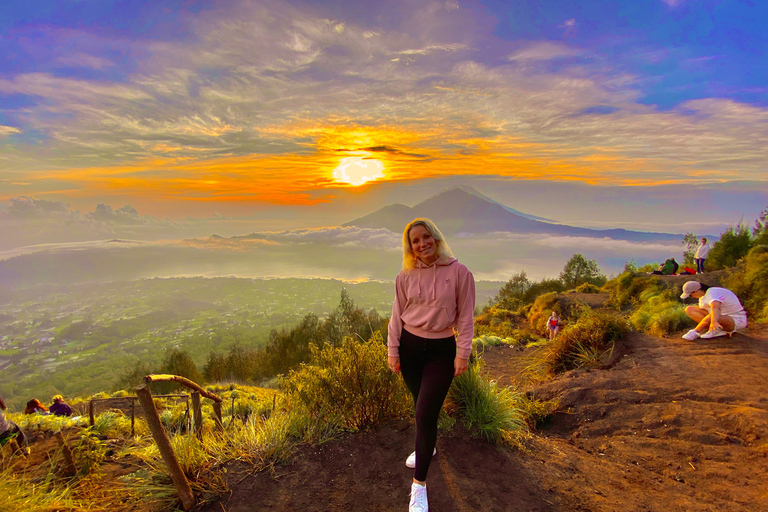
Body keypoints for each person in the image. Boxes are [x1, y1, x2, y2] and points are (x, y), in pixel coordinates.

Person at [388, 218, 475, 512]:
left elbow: (465, 317)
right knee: (420, 406)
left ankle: (419, 486)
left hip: (441, 350)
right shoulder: (405, 276)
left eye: (426, 237)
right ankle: (429, 447)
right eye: (415, 241)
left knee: (425, 413)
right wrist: (393, 350)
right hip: (409, 347)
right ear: (410, 247)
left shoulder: (460, 272)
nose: (422, 244)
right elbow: (397, 315)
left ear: (436, 238)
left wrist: (462, 353)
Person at [680, 281, 748, 340]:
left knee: (712, 315)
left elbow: (715, 307)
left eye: (691, 295)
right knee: (690, 309)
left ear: (696, 291)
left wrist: (714, 321)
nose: (691, 297)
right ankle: (716, 329)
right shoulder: (703, 296)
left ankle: (696, 332)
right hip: (720, 316)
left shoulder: (712, 294)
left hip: (735, 319)